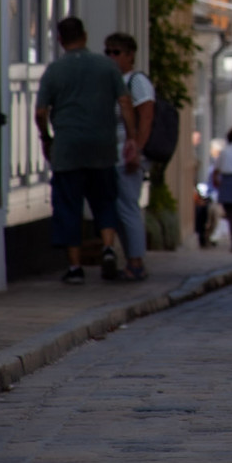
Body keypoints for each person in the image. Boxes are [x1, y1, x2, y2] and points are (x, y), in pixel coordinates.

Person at [36, 17, 138, 285]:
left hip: (67, 149)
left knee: (69, 206)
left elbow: (40, 111)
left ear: (60, 39)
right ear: (85, 35)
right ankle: (107, 247)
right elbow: (125, 102)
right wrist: (131, 138)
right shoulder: (107, 67)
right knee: (104, 201)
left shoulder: (54, 71)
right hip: (102, 147)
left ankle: (75, 268)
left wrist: (45, 136)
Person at [105, 32, 154, 282]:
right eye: (108, 52)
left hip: (129, 154)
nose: (111, 57)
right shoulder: (113, 80)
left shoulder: (135, 81)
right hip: (113, 154)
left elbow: (146, 116)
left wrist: (137, 148)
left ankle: (136, 262)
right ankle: (130, 260)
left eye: (116, 52)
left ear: (130, 55)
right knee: (119, 210)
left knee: (128, 209)